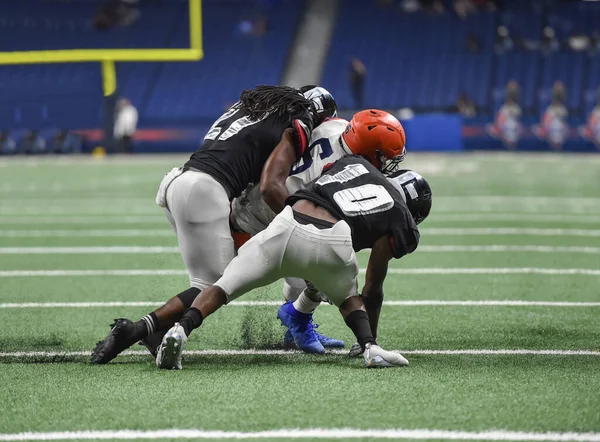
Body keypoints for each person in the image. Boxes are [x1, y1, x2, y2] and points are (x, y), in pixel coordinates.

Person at [91, 85, 335, 364]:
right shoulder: (299, 118)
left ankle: (154, 333)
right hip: (205, 191)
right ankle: (136, 328)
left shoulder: (252, 109)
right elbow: (269, 184)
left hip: (180, 182)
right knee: (215, 285)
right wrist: (299, 224)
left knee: (210, 277)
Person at [155, 155, 432, 370]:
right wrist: (370, 332)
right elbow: (373, 288)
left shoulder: (356, 163)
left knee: (222, 286)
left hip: (286, 223)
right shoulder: (401, 217)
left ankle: (182, 329)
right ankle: (371, 349)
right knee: (349, 299)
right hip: (331, 241)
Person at [231, 109, 407, 353]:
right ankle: (298, 328)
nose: (387, 163)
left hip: (268, 197)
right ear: (369, 150)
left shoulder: (337, 127)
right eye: (384, 157)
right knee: (317, 267)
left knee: (314, 267)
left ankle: (297, 325)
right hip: (266, 210)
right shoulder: (337, 166)